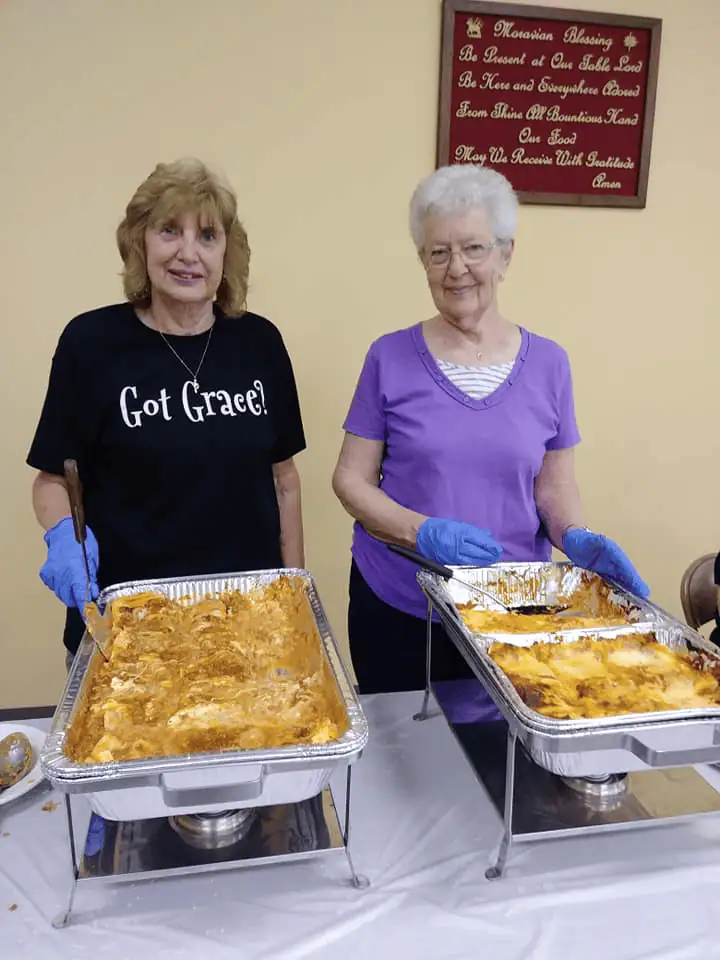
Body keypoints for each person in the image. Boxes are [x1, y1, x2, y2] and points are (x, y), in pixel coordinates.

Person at [332, 164, 648, 696]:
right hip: (399, 608)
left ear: (506, 254)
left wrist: (576, 537)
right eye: (438, 252)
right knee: (408, 766)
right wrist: (419, 531)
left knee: (506, 763)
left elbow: (553, 487)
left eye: (474, 248)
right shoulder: (388, 357)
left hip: (512, 614)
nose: (456, 268)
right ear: (423, 262)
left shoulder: (550, 364)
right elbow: (350, 481)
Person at [28, 158, 306, 669]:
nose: (187, 253)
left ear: (228, 251)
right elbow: (52, 480)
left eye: (206, 235)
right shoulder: (91, 345)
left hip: (246, 627)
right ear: (141, 243)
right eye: (168, 231)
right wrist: (63, 539)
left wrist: (294, 602)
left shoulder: (259, 343)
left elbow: (284, 481)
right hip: (125, 630)